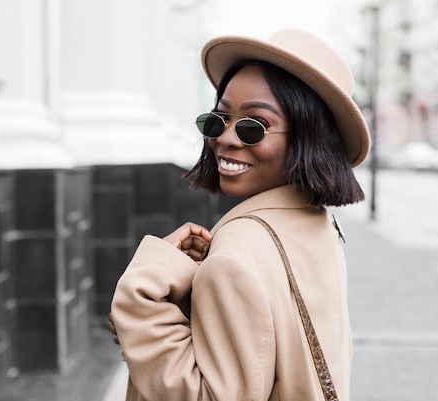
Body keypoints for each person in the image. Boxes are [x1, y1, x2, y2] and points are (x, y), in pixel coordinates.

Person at [108, 28, 371, 401]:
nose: (226, 138)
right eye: (219, 119)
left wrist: (143, 301)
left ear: (308, 137)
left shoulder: (236, 254)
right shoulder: (318, 224)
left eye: (254, 126)